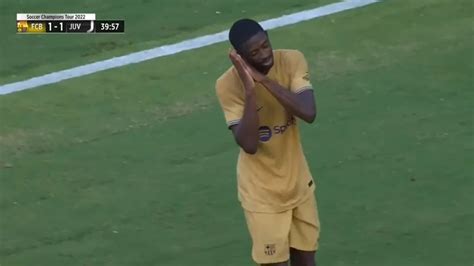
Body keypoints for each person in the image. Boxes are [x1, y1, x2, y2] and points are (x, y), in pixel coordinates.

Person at [215, 18, 320, 266]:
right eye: (254, 52)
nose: (264, 55)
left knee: (306, 261)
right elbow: (249, 144)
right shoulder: (227, 85)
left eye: (265, 45)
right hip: (262, 197)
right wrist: (251, 89)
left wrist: (264, 80)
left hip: (299, 186)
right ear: (239, 56)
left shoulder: (292, 60)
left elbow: (308, 112)